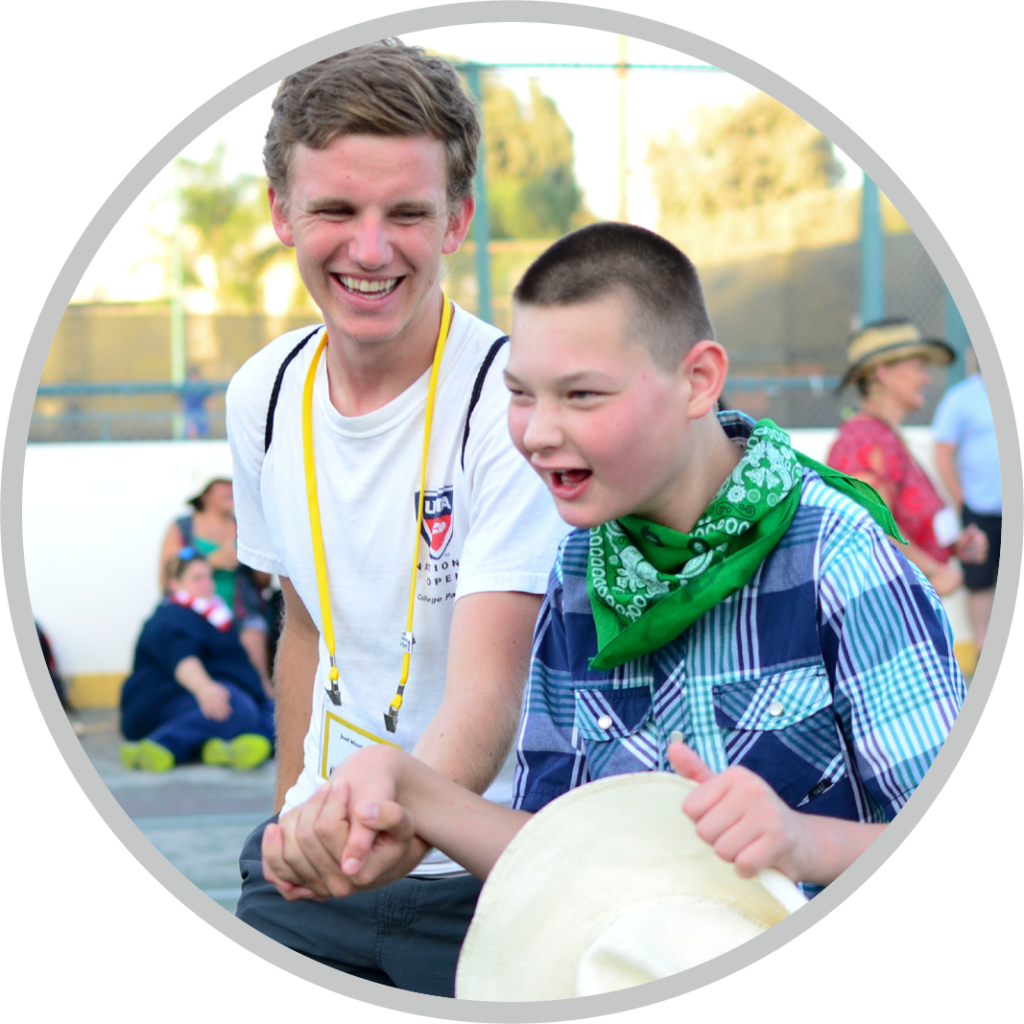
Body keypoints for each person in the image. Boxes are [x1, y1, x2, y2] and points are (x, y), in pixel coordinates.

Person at [278, 224, 966, 920]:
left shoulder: (837, 557)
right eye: (521, 394)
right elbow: (562, 851)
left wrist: (803, 842)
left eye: (582, 396)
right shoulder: (580, 570)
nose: (539, 433)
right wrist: (407, 788)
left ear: (698, 380)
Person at [225, 40, 569, 995]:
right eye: (334, 209)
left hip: (472, 877)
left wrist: (390, 824)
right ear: (282, 213)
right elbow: (305, 625)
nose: (369, 250)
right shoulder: (262, 393)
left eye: (406, 213)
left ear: (457, 219)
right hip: (311, 862)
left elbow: (487, 686)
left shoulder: (515, 400)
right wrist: (290, 814)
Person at [827, 319, 987, 597]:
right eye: (917, 367)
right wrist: (933, 571)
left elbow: (900, 519)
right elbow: (870, 525)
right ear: (884, 374)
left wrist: (954, 544)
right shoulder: (866, 439)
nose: (926, 378)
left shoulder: (883, 436)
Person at [120, 549, 275, 772]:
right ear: (175, 584)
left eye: (208, 577)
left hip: (205, 698)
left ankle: (216, 748)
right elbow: (180, 658)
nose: (206, 583)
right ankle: (159, 744)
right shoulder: (170, 615)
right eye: (197, 578)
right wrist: (205, 688)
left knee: (276, 716)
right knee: (238, 709)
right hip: (163, 702)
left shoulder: (215, 617)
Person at [159, 477, 273, 697]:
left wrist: (255, 558)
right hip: (194, 615)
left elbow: (264, 582)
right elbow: (167, 581)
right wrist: (211, 562)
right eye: (221, 484)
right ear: (204, 493)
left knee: (255, 655)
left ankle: (265, 705)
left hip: (242, 614)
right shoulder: (181, 527)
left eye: (232, 481)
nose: (230, 488)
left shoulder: (245, 525)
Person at [932, 359, 1001, 658]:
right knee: (980, 581)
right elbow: (943, 451)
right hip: (980, 507)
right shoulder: (960, 398)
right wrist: (963, 501)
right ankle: (985, 648)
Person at [182, 365, 213, 439]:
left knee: (203, 431)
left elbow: (210, 399)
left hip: (201, 411)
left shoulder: (203, 385)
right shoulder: (186, 385)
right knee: (191, 430)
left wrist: (210, 412)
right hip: (190, 412)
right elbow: (181, 400)